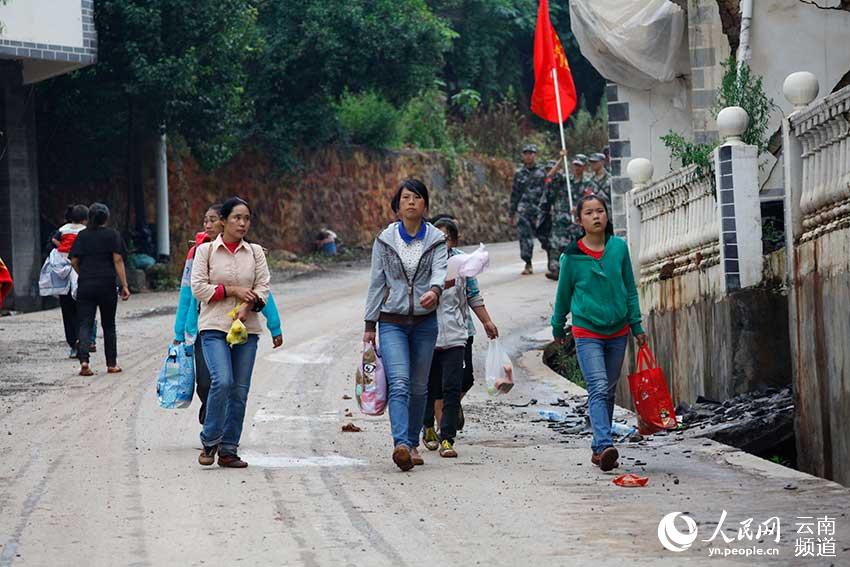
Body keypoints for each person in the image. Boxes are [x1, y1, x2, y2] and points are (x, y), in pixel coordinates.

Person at [550, 195, 647, 472]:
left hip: (618, 330)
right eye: (589, 213)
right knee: (598, 386)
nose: (596, 217)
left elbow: (629, 289)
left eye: (600, 211)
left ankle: (598, 449)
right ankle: (605, 444)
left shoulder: (618, 248)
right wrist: (558, 327)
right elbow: (563, 295)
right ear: (579, 220)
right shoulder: (572, 257)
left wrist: (637, 325)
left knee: (608, 389)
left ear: (607, 216)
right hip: (587, 330)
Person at [363, 179, 447, 471]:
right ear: (397, 206)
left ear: (425, 204)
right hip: (392, 321)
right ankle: (401, 444)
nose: (411, 202)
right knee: (399, 383)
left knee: (419, 387)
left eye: (417, 197)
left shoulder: (436, 239)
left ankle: (412, 443)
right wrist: (369, 323)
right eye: (406, 198)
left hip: (425, 322)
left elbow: (440, 270)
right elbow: (376, 281)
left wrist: (435, 291)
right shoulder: (385, 240)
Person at [174, 203, 283, 425]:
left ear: (222, 221)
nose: (209, 224)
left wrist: (275, 326)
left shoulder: (251, 253)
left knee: (235, 384)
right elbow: (188, 293)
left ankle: (222, 434)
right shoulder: (199, 253)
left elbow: (261, 291)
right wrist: (180, 330)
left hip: (241, 328)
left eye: (213, 219)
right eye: (206, 220)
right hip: (205, 327)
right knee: (207, 382)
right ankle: (213, 412)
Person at [191, 196, 274, 468]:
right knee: (222, 381)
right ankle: (210, 438)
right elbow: (199, 289)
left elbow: (263, 287)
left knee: (239, 390)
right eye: (237, 218)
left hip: (246, 330)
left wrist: (249, 304)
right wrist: (232, 291)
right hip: (214, 326)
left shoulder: (256, 252)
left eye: (247, 218)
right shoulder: (205, 252)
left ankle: (229, 449)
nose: (242, 223)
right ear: (224, 221)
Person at [422, 217, 498, 457]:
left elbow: (473, 295)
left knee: (455, 385)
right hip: (428, 336)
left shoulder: (464, 264)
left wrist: (486, 321)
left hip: (457, 334)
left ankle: (447, 438)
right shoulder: (421, 264)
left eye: (446, 238)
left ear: (453, 241)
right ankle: (427, 427)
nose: (441, 242)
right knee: (428, 386)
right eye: (437, 238)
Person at [69, 203, 131, 376]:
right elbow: (118, 260)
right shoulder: (113, 235)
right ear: (106, 218)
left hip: (86, 284)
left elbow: (73, 261)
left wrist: (84, 274)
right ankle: (111, 364)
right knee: (109, 324)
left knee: (85, 323)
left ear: (89, 217)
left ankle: (84, 361)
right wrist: (124, 285)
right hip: (107, 284)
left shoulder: (82, 236)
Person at [44, 204, 90, 358]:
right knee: (82, 312)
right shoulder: (85, 232)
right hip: (80, 276)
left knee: (67, 311)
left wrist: (63, 249)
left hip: (63, 277)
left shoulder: (62, 229)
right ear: (85, 219)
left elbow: (53, 242)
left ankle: (73, 345)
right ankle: (83, 342)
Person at [509, 144, 552, 276]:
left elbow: (549, 190)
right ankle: (528, 263)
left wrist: (549, 207)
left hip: (540, 210)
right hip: (524, 210)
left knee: (546, 237)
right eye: (526, 153)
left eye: (531, 153)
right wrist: (512, 212)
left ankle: (552, 260)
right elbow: (515, 193)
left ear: (535, 155)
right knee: (525, 237)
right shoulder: (519, 173)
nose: (528, 156)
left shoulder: (542, 172)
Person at [544, 157, 584, 281]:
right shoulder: (565, 180)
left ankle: (573, 271)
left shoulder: (588, 182)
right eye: (575, 165)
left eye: (579, 165)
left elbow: (590, 200)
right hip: (560, 218)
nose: (576, 168)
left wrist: (578, 208)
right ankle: (556, 270)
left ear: (584, 167)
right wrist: (560, 159)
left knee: (574, 246)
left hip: (576, 220)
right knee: (556, 245)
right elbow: (549, 177)